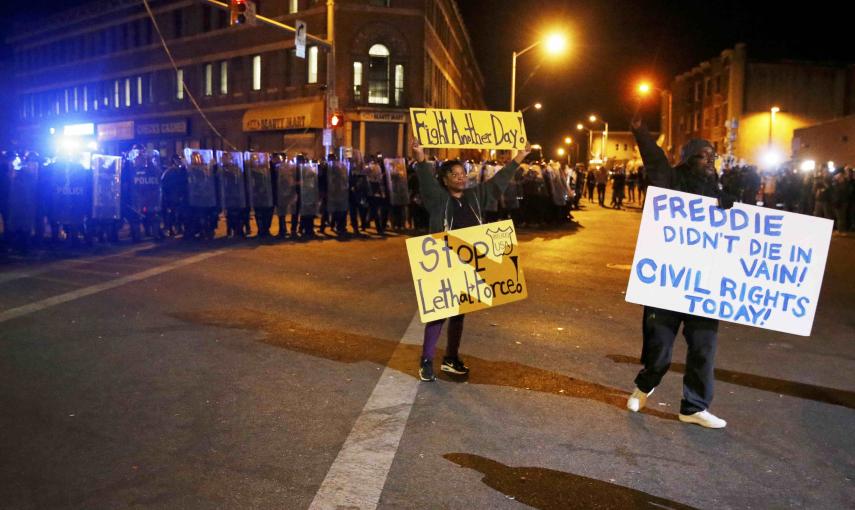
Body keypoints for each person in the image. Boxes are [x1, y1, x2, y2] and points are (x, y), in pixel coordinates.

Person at [627, 115, 736, 429]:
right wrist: (640, 130)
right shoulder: (670, 181)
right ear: (689, 160)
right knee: (659, 348)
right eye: (704, 155)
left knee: (704, 347)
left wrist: (731, 208)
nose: (711, 161)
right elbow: (655, 159)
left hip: (704, 285)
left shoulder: (717, 193)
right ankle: (645, 385)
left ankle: (694, 406)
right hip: (668, 283)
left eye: (713, 156)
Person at [411, 139, 530, 382]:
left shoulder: (476, 196)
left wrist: (519, 157)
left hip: (469, 264)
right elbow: (425, 181)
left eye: (462, 173)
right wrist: (420, 156)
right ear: (444, 179)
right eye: (453, 174)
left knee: (459, 313)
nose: (460, 177)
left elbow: (498, 183)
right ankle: (426, 360)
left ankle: (451, 358)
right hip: (443, 261)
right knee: (438, 312)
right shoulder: (437, 198)